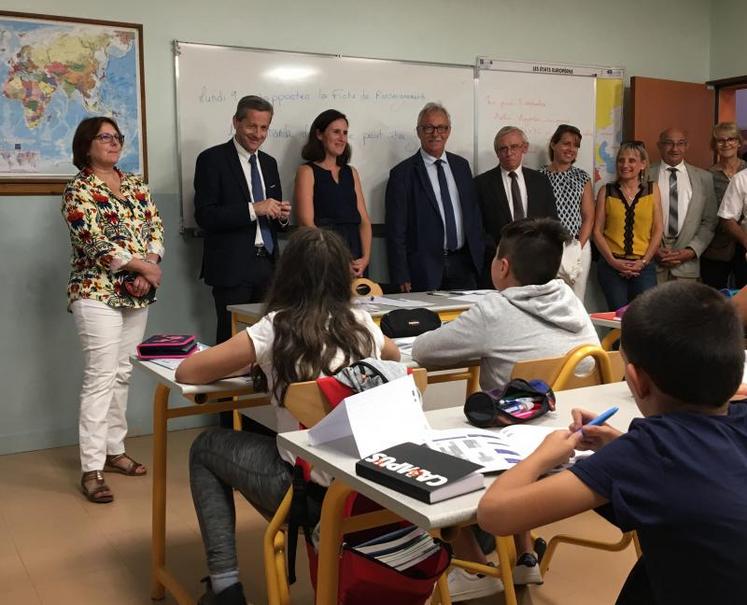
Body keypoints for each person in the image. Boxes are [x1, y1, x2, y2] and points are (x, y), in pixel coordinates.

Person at [476, 281, 747, 605]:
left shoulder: (646, 451)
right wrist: (618, 444)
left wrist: (543, 455)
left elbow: (495, 514)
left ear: (636, 380)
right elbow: (691, 465)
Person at [176, 228, 400, 605]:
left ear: (288, 274)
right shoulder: (362, 324)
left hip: (304, 490)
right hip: (368, 487)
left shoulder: (276, 327)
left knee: (204, 447)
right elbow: (394, 357)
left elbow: (188, 372)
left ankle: (225, 587)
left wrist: (260, 362)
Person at [412, 217, 599, 599]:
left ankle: (474, 570)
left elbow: (424, 350)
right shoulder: (571, 301)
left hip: (515, 449)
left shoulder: (494, 309)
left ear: (502, 266)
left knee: (430, 455)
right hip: (575, 439)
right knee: (513, 416)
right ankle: (525, 556)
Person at [62, 116, 164, 504]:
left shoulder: (136, 184)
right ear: (86, 144)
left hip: (137, 291)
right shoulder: (78, 189)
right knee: (101, 376)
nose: (114, 142)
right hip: (95, 291)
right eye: (104, 137)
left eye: (117, 137)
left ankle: (114, 450)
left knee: (122, 372)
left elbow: (155, 228)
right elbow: (93, 242)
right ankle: (91, 468)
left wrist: (148, 267)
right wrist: (143, 268)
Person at [193, 95, 290, 428]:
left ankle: (262, 421)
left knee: (270, 346)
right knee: (230, 348)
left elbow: (275, 220)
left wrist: (280, 215)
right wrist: (254, 209)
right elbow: (206, 215)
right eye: (252, 126)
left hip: (268, 267)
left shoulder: (270, 163)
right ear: (236, 122)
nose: (258, 134)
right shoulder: (212, 159)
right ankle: (229, 423)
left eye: (264, 128)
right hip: (232, 269)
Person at [385, 102, 484, 292]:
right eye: (428, 127)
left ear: (449, 131)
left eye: (442, 128)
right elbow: (396, 230)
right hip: (423, 269)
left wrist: (478, 258)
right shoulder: (402, 174)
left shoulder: (461, 166)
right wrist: (401, 274)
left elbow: (473, 215)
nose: (435, 133)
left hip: (464, 264)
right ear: (419, 131)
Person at [474, 125, 557, 287]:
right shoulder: (481, 184)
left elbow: (551, 220)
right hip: (499, 265)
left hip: (536, 264)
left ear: (524, 148)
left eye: (514, 147)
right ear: (497, 152)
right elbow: (477, 227)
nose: (509, 153)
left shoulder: (540, 181)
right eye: (503, 148)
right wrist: (501, 252)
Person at [294, 109, 372, 277]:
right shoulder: (307, 171)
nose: (342, 138)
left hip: (356, 255)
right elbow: (306, 222)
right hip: (323, 255)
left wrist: (365, 258)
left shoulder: (351, 172)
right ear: (319, 134)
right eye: (336, 132)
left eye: (345, 133)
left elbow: (364, 221)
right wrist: (338, 260)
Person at [592, 141, 663, 311]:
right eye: (621, 160)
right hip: (611, 266)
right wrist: (613, 262)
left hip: (643, 266)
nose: (625, 165)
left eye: (631, 160)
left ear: (643, 164)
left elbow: (657, 229)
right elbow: (597, 231)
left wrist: (643, 262)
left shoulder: (652, 190)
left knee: (645, 315)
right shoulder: (606, 191)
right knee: (617, 317)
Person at [650, 127, 717, 282]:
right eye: (669, 143)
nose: (675, 149)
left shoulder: (704, 178)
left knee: (684, 300)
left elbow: (710, 221)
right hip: (652, 264)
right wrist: (653, 250)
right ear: (659, 145)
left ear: (687, 146)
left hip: (688, 266)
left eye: (680, 143)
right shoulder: (644, 175)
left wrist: (692, 250)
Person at [539, 124, 595, 301]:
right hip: (549, 246)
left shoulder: (582, 177)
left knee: (576, 299)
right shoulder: (538, 176)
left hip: (578, 245)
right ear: (553, 144)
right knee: (549, 299)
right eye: (566, 143)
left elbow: (588, 217)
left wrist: (577, 247)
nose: (571, 149)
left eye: (575, 145)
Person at [702, 122, 747, 289]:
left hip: (744, 245)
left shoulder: (746, 172)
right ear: (714, 145)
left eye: (731, 139)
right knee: (714, 296)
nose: (726, 144)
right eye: (720, 140)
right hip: (716, 246)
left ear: (739, 143)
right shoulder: (707, 176)